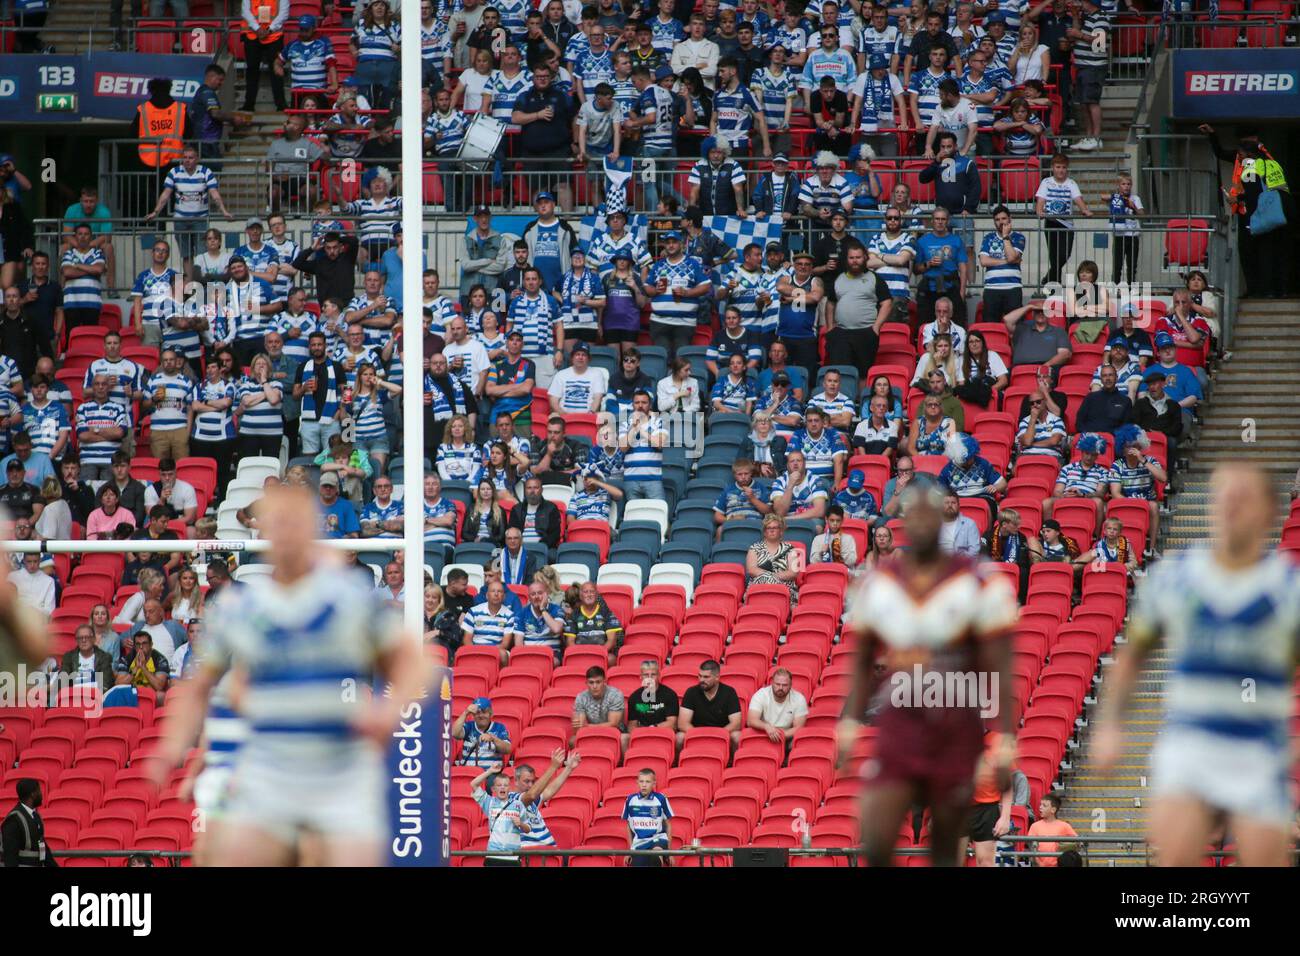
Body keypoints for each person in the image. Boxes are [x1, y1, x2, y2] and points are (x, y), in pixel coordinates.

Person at [154, 484, 425, 866]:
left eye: (295, 523)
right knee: (220, 855)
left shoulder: (348, 596)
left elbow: (413, 661)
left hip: (339, 769)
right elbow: (199, 686)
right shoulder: (239, 607)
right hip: (271, 771)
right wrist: (172, 749)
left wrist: (389, 710)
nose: (286, 533)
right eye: (277, 523)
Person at [1095, 464, 1297, 866]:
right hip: (1190, 744)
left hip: (1257, 749)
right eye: (1222, 496)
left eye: (1243, 497)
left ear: (1270, 510)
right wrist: (1110, 726)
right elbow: (1132, 658)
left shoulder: (1289, 590)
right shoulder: (1175, 577)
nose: (1229, 505)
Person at [842, 481, 1017, 866]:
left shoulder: (978, 579)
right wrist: (849, 721)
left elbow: (1001, 664)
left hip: (956, 724)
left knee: (946, 841)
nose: (920, 522)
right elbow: (861, 657)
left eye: (928, 514)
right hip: (900, 721)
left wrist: (1005, 734)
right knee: (876, 828)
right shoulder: (881, 582)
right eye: (913, 514)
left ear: (941, 519)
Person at [470, 762, 531, 866]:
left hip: (513, 856)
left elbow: (528, 828)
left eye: (505, 785)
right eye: (499, 785)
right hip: (493, 855)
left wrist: (520, 824)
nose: (502, 787)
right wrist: (490, 771)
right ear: (494, 789)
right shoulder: (489, 802)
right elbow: (473, 784)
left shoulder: (518, 805)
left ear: (509, 788)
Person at [678, 659, 743, 750]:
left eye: (706, 677)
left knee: (737, 736)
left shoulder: (729, 692)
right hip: (696, 733)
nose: (701, 680)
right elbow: (682, 724)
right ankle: (680, 762)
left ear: (717, 677)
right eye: (699, 676)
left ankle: (731, 763)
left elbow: (736, 724)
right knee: (680, 737)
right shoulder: (691, 692)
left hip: (721, 734)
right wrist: (700, 735)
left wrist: (717, 735)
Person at [2, 779, 58, 868]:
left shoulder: (35, 816)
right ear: (33, 794)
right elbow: (10, 856)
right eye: (38, 791)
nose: (41, 794)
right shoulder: (14, 820)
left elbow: (43, 847)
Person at [623, 768, 674, 867]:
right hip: (639, 843)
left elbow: (668, 825)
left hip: (658, 839)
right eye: (641, 781)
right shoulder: (630, 800)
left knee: (655, 854)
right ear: (637, 782)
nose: (644, 785)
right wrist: (630, 850)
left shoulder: (661, 798)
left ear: (654, 783)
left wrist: (669, 851)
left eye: (648, 781)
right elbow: (628, 827)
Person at [571, 665, 626, 743]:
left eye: (598, 682)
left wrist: (587, 726)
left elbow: (613, 724)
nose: (594, 686)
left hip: (613, 734)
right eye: (591, 682)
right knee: (573, 741)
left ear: (604, 682)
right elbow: (578, 728)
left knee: (624, 739)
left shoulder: (615, 694)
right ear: (586, 683)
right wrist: (583, 726)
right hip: (590, 734)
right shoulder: (581, 697)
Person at [1027, 793, 1077, 867]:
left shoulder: (1064, 826)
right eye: (1040, 804)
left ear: (1053, 810)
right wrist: (1039, 863)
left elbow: (1076, 841)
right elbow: (1032, 847)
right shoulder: (1035, 826)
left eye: (1044, 805)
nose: (1040, 807)